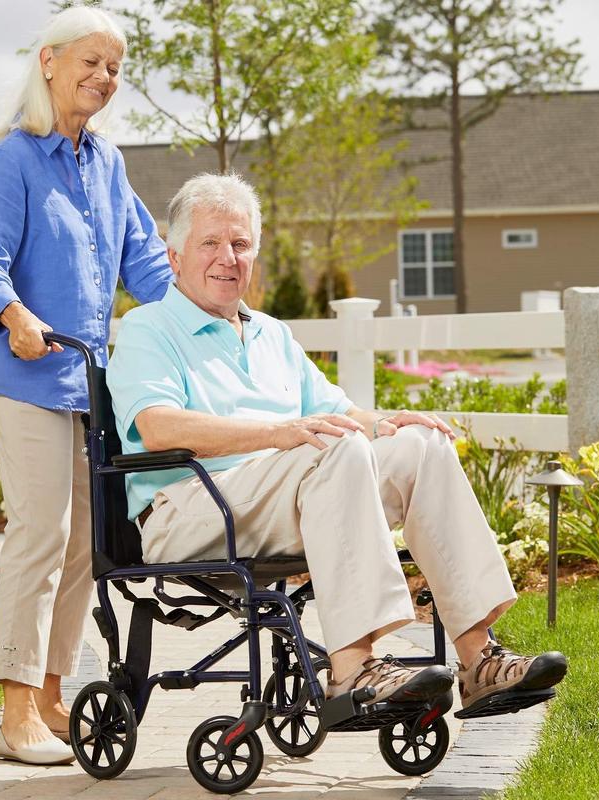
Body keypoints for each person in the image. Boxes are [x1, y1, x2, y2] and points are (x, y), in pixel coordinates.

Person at [106, 172, 567, 713]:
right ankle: (352, 669)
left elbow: (337, 413)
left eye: (240, 244)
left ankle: (479, 659)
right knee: (333, 450)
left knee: (424, 446)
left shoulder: (270, 332)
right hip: (192, 509)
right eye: (210, 243)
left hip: (292, 492)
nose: (227, 258)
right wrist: (279, 434)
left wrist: (387, 424)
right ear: (175, 256)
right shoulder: (148, 329)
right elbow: (157, 425)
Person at [0, 7, 171, 765]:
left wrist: (217, 302)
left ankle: (52, 694)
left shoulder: (107, 165)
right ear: (49, 62)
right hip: (23, 376)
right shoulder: (12, 160)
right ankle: (15, 712)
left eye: (115, 68)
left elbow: (146, 265)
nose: (104, 78)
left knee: (87, 545)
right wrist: (15, 315)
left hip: (88, 384)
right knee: (40, 533)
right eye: (91, 62)